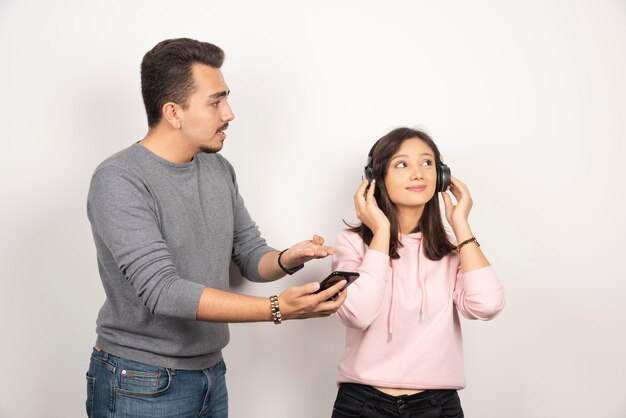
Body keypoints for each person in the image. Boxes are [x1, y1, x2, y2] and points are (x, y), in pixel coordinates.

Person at [84, 38, 347, 418]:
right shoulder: (119, 179)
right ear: (173, 112)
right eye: (216, 101)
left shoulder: (218, 169)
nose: (229, 113)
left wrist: (289, 258)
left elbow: (251, 256)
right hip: (139, 381)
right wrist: (276, 309)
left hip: (209, 373)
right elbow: (163, 292)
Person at [330, 127, 505, 417]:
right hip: (363, 404)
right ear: (375, 179)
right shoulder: (354, 244)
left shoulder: (452, 250)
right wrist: (382, 231)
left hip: (438, 406)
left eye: (427, 163)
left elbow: (486, 306)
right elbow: (357, 313)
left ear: (442, 177)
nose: (418, 173)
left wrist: (461, 225)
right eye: (402, 164)